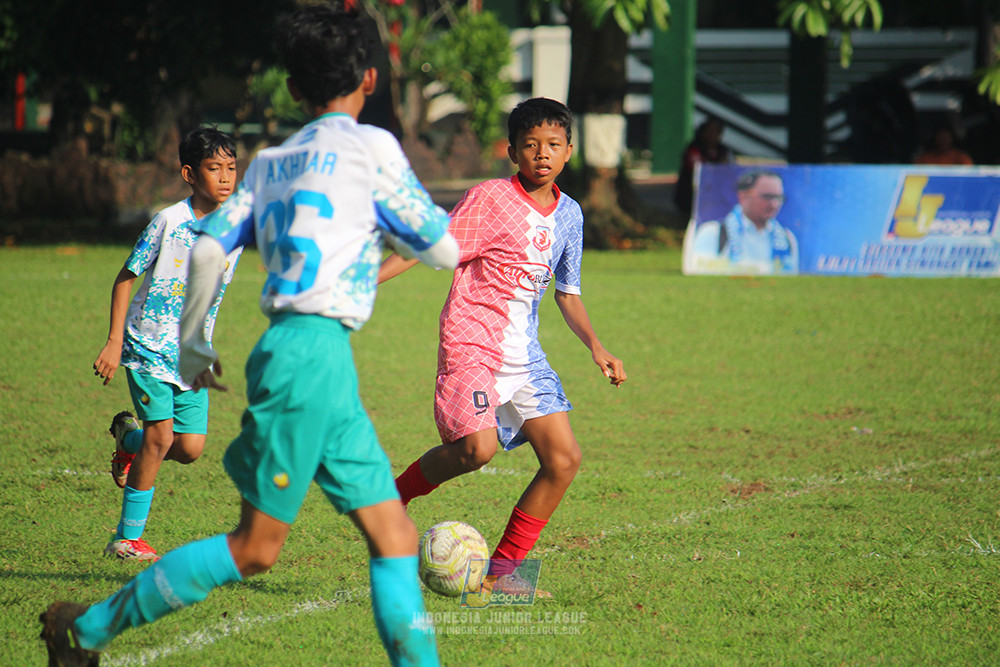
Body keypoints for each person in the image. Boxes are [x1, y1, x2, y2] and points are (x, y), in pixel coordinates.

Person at [40, 5, 458, 666]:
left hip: (308, 359)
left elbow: (206, 251)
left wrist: (195, 346)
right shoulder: (372, 147)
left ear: (292, 90)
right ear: (371, 80)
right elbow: (441, 243)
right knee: (256, 547)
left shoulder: (270, 164)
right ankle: (88, 631)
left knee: (395, 534)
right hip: (310, 360)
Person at [379, 97, 627, 598]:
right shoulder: (489, 197)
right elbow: (433, 243)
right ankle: (390, 501)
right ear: (513, 151)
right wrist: (366, 280)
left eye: (553, 145)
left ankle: (502, 573)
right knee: (477, 450)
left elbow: (568, 293)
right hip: (472, 341)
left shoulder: (570, 215)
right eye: (530, 145)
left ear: (569, 151)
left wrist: (597, 347)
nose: (542, 154)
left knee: (564, 460)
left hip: (525, 355)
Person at [91, 127, 242, 561]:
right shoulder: (168, 222)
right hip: (146, 346)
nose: (226, 178)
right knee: (161, 437)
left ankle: (128, 442)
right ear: (189, 174)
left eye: (232, 168)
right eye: (215, 169)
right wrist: (115, 341)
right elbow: (126, 277)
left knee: (190, 448)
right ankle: (126, 538)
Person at [686, 169, 798, 275]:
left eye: (779, 198)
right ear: (743, 196)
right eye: (767, 197)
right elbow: (700, 274)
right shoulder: (712, 233)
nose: (774, 204)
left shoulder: (787, 238)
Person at [674, 117, 732, 220]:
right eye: (709, 130)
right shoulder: (694, 149)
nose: (712, 134)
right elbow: (698, 173)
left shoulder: (723, 151)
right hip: (692, 197)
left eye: (716, 131)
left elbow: (731, 171)